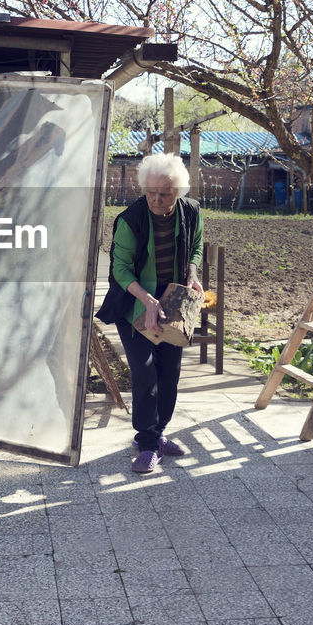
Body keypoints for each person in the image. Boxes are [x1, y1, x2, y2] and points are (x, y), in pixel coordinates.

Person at [96, 153, 203, 473]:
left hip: (173, 306)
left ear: (179, 192)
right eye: (151, 192)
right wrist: (148, 302)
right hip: (135, 306)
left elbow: (196, 245)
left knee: (169, 374)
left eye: (165, 194)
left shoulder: (192, 212)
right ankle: (146, 442)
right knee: (145, 374)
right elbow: (121, 269)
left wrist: (193, 274)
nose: (157, 199)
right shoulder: (131, 220)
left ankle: (157, 433)